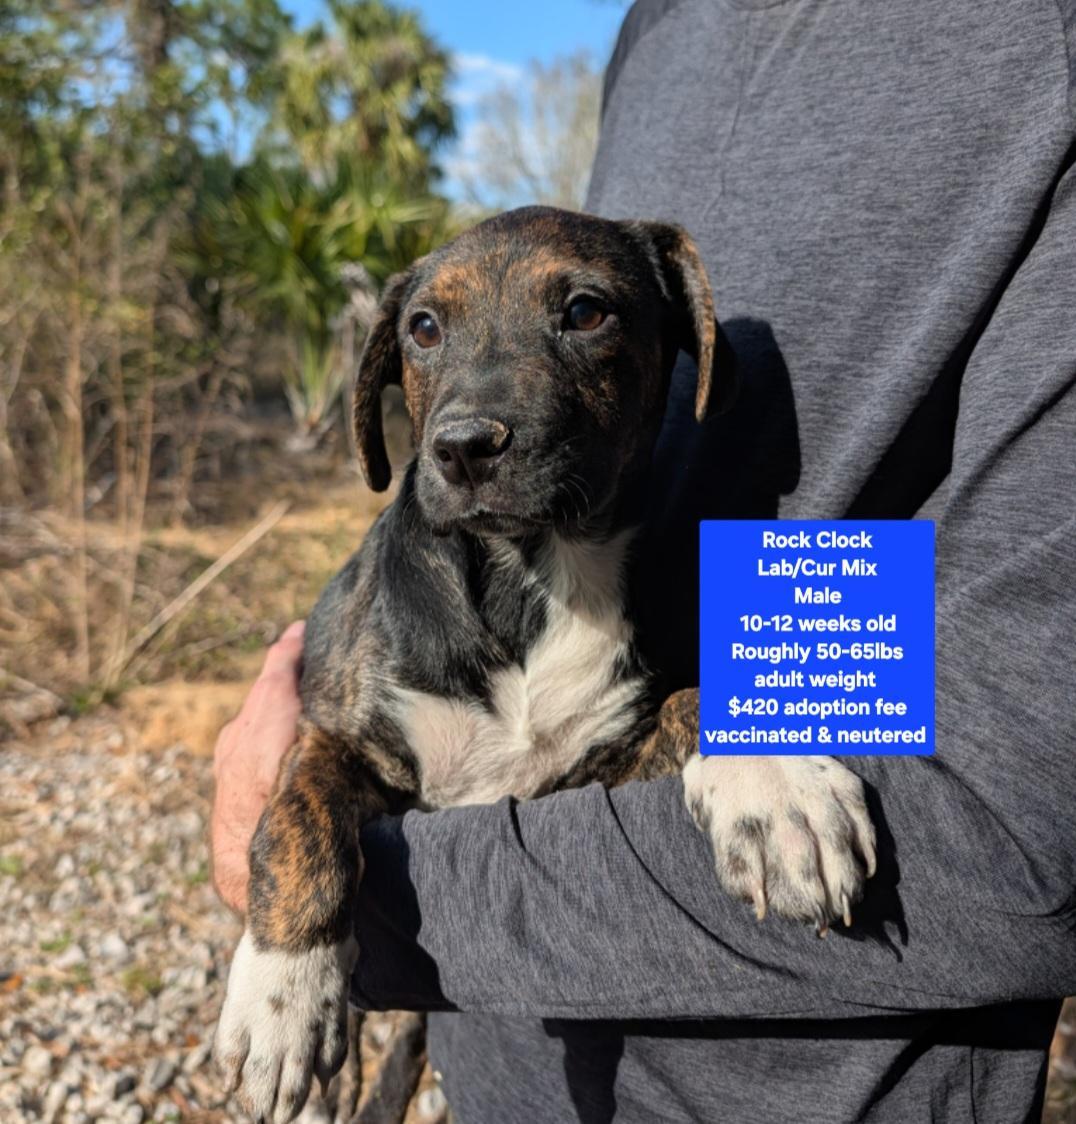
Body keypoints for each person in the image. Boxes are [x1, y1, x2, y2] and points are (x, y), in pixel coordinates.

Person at [212, 1, 1076, 1120]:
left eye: (578, 312)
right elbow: (338, 749)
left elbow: (1015, 837)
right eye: (428, 333)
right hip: (500, 1065)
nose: (470, 418)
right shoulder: (654, 30)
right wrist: (309, 893)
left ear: (691, 355)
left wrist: (384, 923)